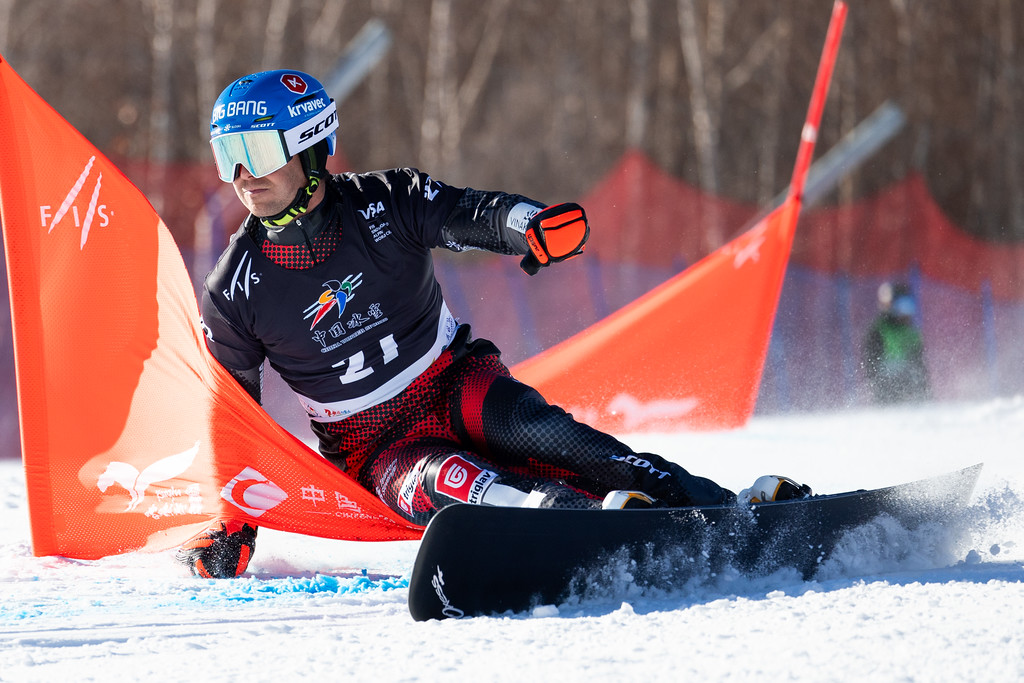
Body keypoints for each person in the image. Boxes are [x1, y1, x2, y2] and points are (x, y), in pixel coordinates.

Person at [176, 69, 808, 579]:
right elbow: (233, 421)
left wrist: (528, 226)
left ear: (311, 146)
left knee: (568, 445)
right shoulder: (233, 288)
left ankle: (736, 512)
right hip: (375, 447)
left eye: (255, 152)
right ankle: (586, 523)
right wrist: (230, 527)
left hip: (456, 386)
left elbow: (468, 212)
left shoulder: (387, 201)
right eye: (225, 155)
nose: (241, 177)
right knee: (462, 484)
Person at [862, 281, 931, 404]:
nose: (906, 313)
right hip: (886, 390)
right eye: (902, 307)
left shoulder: (912, 334)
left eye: (909, 307)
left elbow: (920, 367)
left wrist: (925, 393)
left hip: (910, 388)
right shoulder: (879, 331)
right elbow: (871, 365)